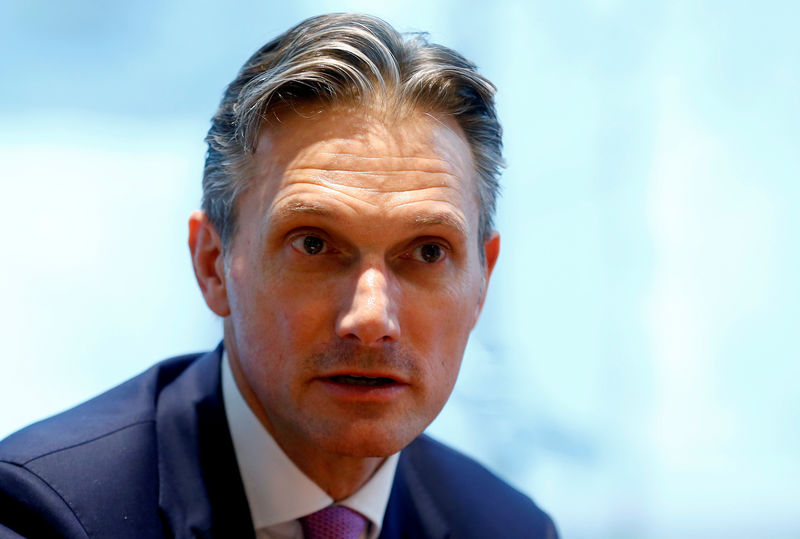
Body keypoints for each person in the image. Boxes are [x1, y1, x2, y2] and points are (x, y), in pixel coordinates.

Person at [0, 13, 557, 539]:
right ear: (213, 264)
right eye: (313, 244)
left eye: (429, 252)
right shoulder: (50, 514)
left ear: (482, 282)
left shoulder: (507, 526)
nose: (370, 318)